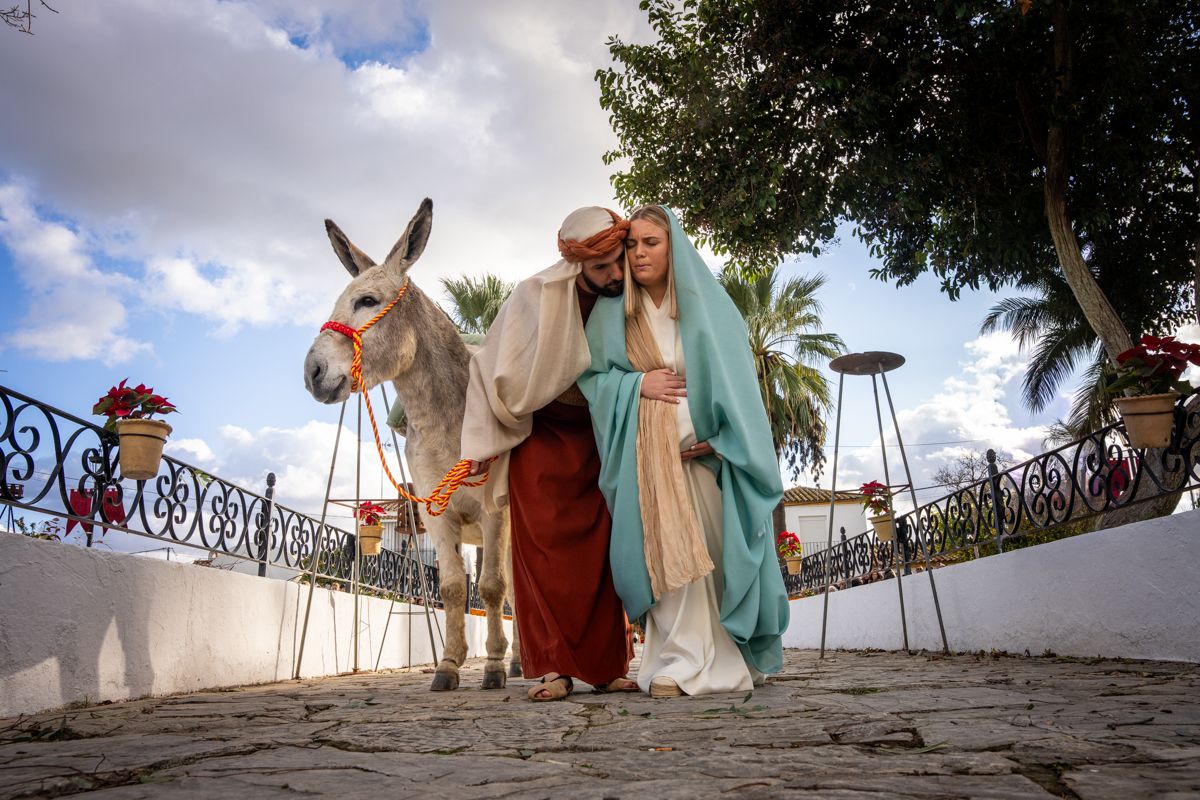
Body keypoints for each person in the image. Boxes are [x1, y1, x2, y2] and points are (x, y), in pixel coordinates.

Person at [579, 204, 790, 698]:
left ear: (674, 246)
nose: (638, 254)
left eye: (650, 243)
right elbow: (592, 379)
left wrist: (721, 439)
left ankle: (725, 655)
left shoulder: (709, 307)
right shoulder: (613, 314)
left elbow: (738, 385)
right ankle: (679, 658)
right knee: (667, 560)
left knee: (713, 560)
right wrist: (637, 385)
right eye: (631, 245)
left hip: (709, 460)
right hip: (647, 466)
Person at [460, 207, 638, 701]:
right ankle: (553, 668)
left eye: (617, 261)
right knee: (542, 558)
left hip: (599, 434)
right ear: (576, 262)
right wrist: (481, 442)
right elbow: (488, 367)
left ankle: (607, 666)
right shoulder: (533, 295)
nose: (616, 274)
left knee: (601, 555)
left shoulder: (627, 296)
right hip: (540, 437)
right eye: (602, 267)